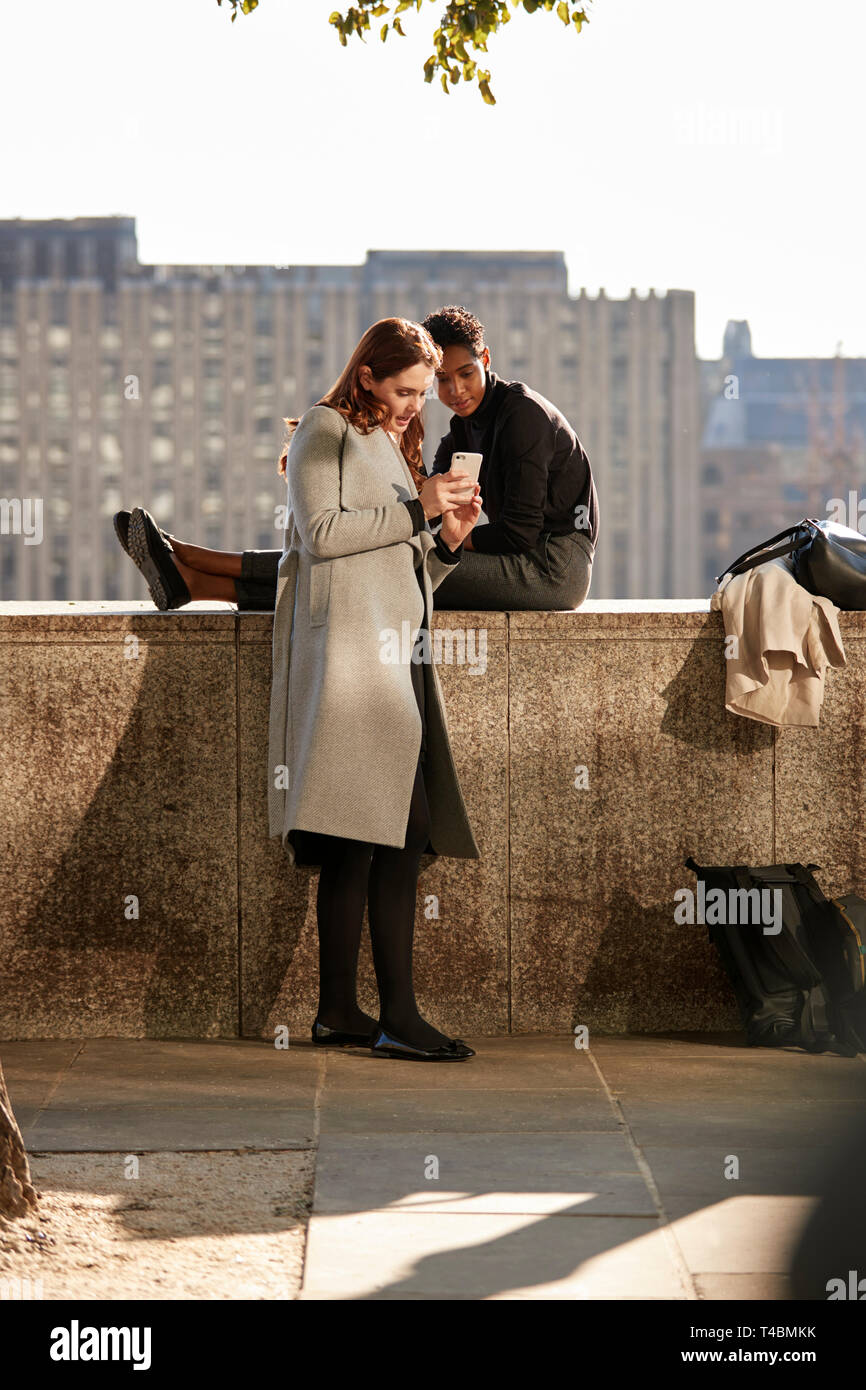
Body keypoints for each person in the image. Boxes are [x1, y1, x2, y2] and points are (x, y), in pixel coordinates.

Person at [127, 317, 483, 1063]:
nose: (417, 404)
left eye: (422, 393)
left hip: (389, 659)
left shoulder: (392, 440)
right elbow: (322, 532)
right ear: (367, 377)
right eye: (405, 390)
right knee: (395, 837)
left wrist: (446, 538)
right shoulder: (326, 430)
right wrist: (419, 508)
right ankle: (399, 1019)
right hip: (349, 664)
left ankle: (337, 1013)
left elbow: (401, 567)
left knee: (362, 845)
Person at [113, 306, 599, 614]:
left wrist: (437, 535)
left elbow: (518, 534)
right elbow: (419, 495)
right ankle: (195, 578)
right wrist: (419, 523)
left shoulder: (523, 418)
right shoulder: (461, 429)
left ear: (486, 359)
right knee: (365, 568)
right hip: (519, 556)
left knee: (387, 571)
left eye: (466, 374)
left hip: (551, 568)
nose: (455, 392)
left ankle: (197, 565)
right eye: (441, 383)